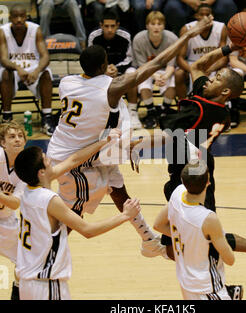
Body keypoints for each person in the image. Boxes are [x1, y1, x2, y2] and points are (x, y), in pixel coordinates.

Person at [46, 15, 214, 259]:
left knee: (116, 187)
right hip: (74, 162)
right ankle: (46, 254)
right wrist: (188, 35)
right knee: (73, 216)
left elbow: (101, 96)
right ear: (104, 66)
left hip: (85, 151)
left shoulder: (68, 82)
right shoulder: (110, 88)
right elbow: (156, 64)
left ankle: (149, 241)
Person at [134, 41, 246, 279]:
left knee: (207, 239)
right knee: (172, 250)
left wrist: (135, 143)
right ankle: (161, 245)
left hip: (196, 179)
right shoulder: (205, 94)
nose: (210, 78)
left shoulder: (211, 110)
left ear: (224, 92)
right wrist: (230, 47)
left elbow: (167, 135)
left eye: (217, 77)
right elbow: (198, 65)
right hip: (179, 171)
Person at [14, 129, 142, 300]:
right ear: (41, 173)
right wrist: (125, 215)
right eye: (46, 160)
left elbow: (74, 159)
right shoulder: (49, 200)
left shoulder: (28, 192)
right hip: (45, 284)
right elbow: (87, 230)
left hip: (26, 281)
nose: (50, 159)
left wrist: (104, 141)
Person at [154, 160, 235, 300]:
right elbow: (230, 259)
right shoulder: (208, 219)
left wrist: (188, 237)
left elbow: (158, 225)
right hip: (208, 287)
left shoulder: (176, 194)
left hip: (185, 281)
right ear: (208, 183)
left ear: (183, 181)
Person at [0, 5, 55, 136]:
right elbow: (3, 59)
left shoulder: (35, 29)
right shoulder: (3, 31)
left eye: (21, 16)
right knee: (5, 73)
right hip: (12, 68)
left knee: (46, 73)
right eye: (15, 17)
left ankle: (47, 117)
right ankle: (7, 116)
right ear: (10, 18)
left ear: (26, 17)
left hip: (32, 66)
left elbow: (45, 56)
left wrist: (36, 71)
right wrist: (18, 68)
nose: (19, 20)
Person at [88, 10, 141, 130]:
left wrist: (117, 68)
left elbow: (130, 58)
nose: (110, 29)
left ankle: (132, 111)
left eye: (112, 26)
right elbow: (90, 58)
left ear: (117, 25)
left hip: (121, 69)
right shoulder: (93, 36)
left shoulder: (125, 35)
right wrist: (104, 69)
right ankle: (98, 114)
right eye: (106, 26)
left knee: (133, 73)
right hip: (101, 71)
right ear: (101, 25)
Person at [132, 11, 178, 129]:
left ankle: (164, 111)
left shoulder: (172, 38)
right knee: (142, 81)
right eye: (153, 24)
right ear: (147, 26)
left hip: (165, 70)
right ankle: (151, 113)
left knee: (173, 81)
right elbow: (142, 66)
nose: (156, 27)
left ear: (164, 26)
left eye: (159, 24)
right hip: (147, 70)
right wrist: (155, 76)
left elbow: (171, 65)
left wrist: (165, 77)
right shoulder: (139, 39)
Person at [176, 3, 228, 99]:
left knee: (226, 72)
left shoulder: (221, 28)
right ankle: (184, 105)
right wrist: (194, 70)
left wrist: (210, 69)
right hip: (192, 64)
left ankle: (225, 104)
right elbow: (179, 58)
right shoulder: (186, 29)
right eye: (201, 14)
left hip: (213, 64)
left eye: (207, 14)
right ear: (196, 16)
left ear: (212, 16)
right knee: (179, 74)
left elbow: (224, 58)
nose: (205, 17)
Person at [0, 121, 27, 300]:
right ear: (3, 142)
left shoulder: (27, 167)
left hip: (6, 221)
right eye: (12, 136)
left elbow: (16, 203)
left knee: (25, 264)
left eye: (20, 136)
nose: (17, 140)